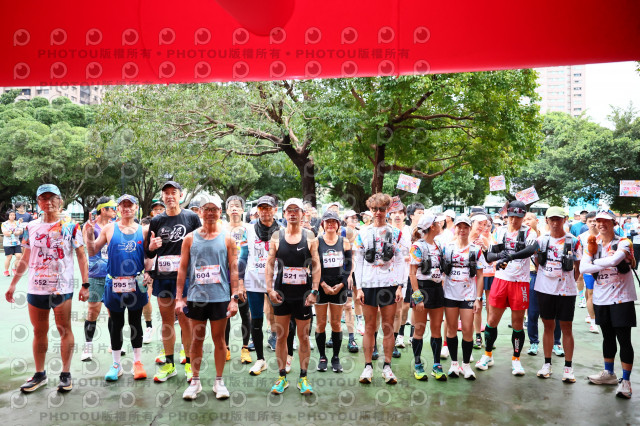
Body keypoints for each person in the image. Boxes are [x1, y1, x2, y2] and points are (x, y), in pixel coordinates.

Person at [5, 184, 89, 393]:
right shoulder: (31, 227)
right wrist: (13, 284)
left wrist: (85, 284)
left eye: (53, 198)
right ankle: (40, 374)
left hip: (62, 289)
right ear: (38, 202)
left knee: (64, 329)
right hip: (36, 288)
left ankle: (65, 374)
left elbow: (81, 256)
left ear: (60, 200)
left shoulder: (71, 226)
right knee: (39, 331)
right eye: (43, 198)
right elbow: (25, 258)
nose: (48, 202)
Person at [176, 195, 239, 400]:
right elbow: (182, 269)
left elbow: (234, 269)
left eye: (214, 209)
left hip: (220, 297)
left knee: (219, 339)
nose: (210, 213)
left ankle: (219, 381)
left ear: (220, 212)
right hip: (196, 297)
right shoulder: (190, 238)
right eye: (206, 209)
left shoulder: (228, 238)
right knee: (197, 339)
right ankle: (195, 381)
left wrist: (234, 298)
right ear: (200, 212)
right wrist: (179, 298)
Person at [85, 194, 151, 381]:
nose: (127, 208)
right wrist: (89, 234)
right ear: (118, 209)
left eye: (130, 205)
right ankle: (116, 365)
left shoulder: (144, 230)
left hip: (136, 283)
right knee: (116, 324)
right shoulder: (109, 228)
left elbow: (148, 256)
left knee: (135, 323)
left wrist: (148, 272)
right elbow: (92, 251)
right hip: (114, 283)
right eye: (123, 205)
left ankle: (137, 363)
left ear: (136, 208)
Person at [145, 181, 201, 383]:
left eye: (173, 192)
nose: (170, 196)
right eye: (166, 193)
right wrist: (152, 247)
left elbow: (202, 244)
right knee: (167, 322)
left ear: (180, 195)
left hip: (186, 279)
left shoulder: (191, 217)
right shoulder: (157, 220)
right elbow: (149, 252)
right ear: (162, 196)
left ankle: (189, 364)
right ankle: (169, 365)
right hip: (163, 278)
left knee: (185, 321)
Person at [266, 198, 321, 395]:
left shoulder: (310, 236)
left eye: (296, 210)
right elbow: (270, 264)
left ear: (302, 214)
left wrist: (314, 291)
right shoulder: (276, 236)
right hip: (281, 294)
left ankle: (303, 378)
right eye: (288, 210)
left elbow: (316, 264)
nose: (292, 213)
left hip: (303, 295)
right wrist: (269, 289)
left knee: (303, 337)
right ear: (284, 214)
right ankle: (282, 377)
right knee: (281, 335)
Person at [580, 210, 637, 399]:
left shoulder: (623, 242)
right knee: (607, 337)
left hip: (621, 298)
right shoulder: (592, 244)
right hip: (601, 298)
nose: (601, 224)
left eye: (606, 221)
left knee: (624, 339)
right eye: (598, 221)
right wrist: (605, 262)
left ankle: (626, 382)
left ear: (614, 223)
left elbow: (614, 260)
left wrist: (597, 262)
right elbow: (583, 267)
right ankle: (609, 373)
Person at [477, 200, 538, 376]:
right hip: (501, 280)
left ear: (523, 217)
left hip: (520, 282)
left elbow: (530, 250)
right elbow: (489, 256)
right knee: (492, 320)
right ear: (507, 215)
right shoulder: (500, 231)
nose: (514, 220)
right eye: (511, 216)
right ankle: (487, 355)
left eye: (518, 217)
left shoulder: (529, 232)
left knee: (518, 323)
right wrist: (499, 255)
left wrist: (509, 257)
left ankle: (516, 360)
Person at [354, 193, 404, 385]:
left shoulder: (395, 233)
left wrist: (400, 285)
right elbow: (358, 262)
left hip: (389, 285)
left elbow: (400, 260)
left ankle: (387, 367)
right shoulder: (362, 233)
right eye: (374, 209)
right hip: (368, 285)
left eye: (382, 209)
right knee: (369, 327)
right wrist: (359, 288)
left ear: (387, 210)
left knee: (388, 327)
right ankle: (367, 367)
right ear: (370, 210)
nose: (378, 213)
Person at [533, 207, 581, 383]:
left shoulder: (573, 241)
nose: (555, 223)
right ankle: (547, 364)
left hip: (566, 290)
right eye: (551, 219)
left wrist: (570, 282)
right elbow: (537, 262)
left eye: (558, 219)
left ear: (565, 220)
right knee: (548, 325)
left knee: (566, 327)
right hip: (545, 288)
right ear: (546, 220)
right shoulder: (540, 241)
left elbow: (578, 266)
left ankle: (568, 367)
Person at [240, 195, 280, 376]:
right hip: (253, 280)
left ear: (275, 209)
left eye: (268, 208)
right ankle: (260, 359)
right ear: (257, 210)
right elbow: (242, 257)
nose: (265, 212)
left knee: (282, 319)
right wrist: (240, 282)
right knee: (256, 319)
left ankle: (285, 359)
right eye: (262, 208)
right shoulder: (248, 230)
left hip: (276, 280)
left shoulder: (282, 230)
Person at [442, 216, 485, 380]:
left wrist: (478, 298)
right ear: (455, 229)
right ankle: (454, 364)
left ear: (469, 229)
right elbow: (441, 272)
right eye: (459, 227)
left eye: (465, 227)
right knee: (451, 329)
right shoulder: (447, 248)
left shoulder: (476, 250)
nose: (462, 230)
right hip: (450, 295)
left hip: (468, 296)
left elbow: (480, 276)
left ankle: (466, 365)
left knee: (467, 329)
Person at [409, 214, 447, 381]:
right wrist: (417, 297)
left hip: (437, 289)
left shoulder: (439, 245)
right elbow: (412, 273)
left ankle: (436, 365)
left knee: (436, 328)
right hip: (422, 289)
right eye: (438, 223)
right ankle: (418, 364)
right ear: (432, 226)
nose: (441, 225)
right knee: (419, 329)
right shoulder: (417, 246)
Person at [80, 197, 117, 361]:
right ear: (103, 209)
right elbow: (88, 249)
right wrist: (89, 232)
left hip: (113, 274)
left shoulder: (115, 226)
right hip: (95, 274)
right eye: (112, 207)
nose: (115, 210)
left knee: (113, 312)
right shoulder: (90, 226)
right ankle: (88, 347)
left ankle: (114, 344)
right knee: (92, 311)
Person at [315, 211, 352, 373]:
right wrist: (322, 284)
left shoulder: (344, 241)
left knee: (336, 323)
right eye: (327, 221)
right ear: (322, 224)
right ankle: (322, 357)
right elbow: (313, 265)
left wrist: (342, 284)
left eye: (333, 222)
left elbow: (348, 265)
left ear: (338, 225)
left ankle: (335, 357)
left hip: (339, 287)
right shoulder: (316, 241)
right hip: (321, 286)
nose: (330, 224)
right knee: (321, 323)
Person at [224, 195, 252, 364]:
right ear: (227, 210)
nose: (234, 208)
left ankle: (245, 348)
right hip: (225, 278)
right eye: (231, 206)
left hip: (245, 278)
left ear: (242, 210)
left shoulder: (250, 229)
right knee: (225, 313)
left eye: (237, 206)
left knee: (245, 313)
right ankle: (225, 348)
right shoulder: (221, 228)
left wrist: (244, 280)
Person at [389, 201, 411, 357]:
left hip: (404, 276)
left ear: (404, 215)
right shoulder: (385, 231)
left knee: (399, 309)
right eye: (394, 212)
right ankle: (378, 343)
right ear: (389, 214)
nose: (397, 215)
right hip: (384, 276)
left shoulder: (410, 232)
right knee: (381, 311)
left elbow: (415, 252)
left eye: (400, 212)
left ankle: (394, 341)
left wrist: (410, 257)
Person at [579, 211, 599, 333]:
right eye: (590, 221)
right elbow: (579, 254)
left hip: (603, 270)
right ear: (586, 223)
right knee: (590, 293)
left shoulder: (604, 235)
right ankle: (593, 322)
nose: (593, 223)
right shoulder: (581, 237)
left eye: (595, 221)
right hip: (588, 270)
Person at [3, 210, 23, 276]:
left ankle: (14, 268)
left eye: (13, 215)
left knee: (19, 256)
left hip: (16, 243)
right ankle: (6, 271)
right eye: (11, 215)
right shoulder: (4, 224)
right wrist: (13, 233)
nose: (12, 216)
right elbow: (5, 233)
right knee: (9, 257)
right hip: (7, 243)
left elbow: (21, 231)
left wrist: (17, 233)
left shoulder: (18, 223)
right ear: (8, 216)